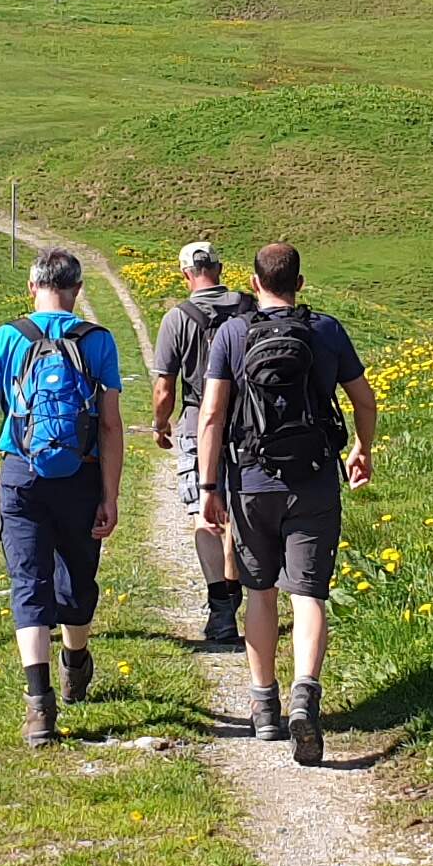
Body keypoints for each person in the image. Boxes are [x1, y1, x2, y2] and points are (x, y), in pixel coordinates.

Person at [198, 241, 377, 766]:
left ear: (253, 284)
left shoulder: (232, 333)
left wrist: (209, 488)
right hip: (316, 478)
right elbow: (363, 399)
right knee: (308, 594)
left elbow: (210, 416)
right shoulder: (325, 330)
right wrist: (362, 449)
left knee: (259, 593)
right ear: (301, 282)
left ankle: (265, 709)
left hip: (252, 481)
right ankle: (306, 695)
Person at [0, 248, 126, 746]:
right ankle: (75, 662)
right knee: (77, 578)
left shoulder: (5, 338)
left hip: (22, 474)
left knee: (28, 581)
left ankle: (39, 707)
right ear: (77, 290)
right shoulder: (97, 340)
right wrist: (110, 494)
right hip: (81, 475)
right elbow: (109, 424)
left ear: (31, 287)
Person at [148, 239, 253, 647]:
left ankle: (221, 608)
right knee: (236, 511)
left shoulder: (178, 318)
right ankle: (236, 585)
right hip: (246, 421)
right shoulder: (248, 307)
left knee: (205, 512)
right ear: (221, 268)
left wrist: (160, 425)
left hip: (196, 422)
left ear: (185, 275)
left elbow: (163, 387)